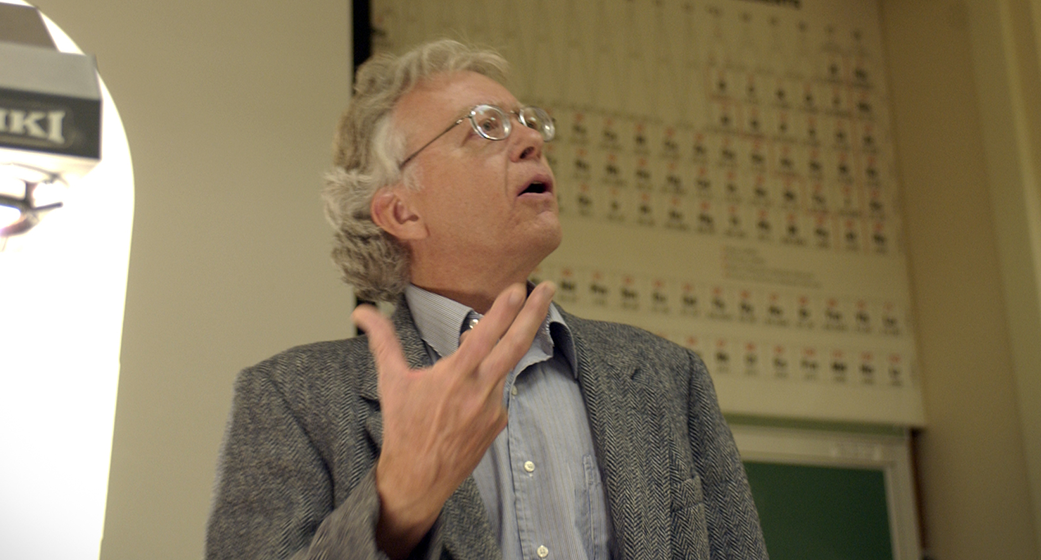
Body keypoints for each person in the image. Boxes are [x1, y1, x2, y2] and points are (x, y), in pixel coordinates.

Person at [206, 39, 768, 560]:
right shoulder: (290, 396)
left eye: (527, 122)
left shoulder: (670, 377)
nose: (531, 140)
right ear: (402, 211)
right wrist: (396, 507)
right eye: (484, 128)